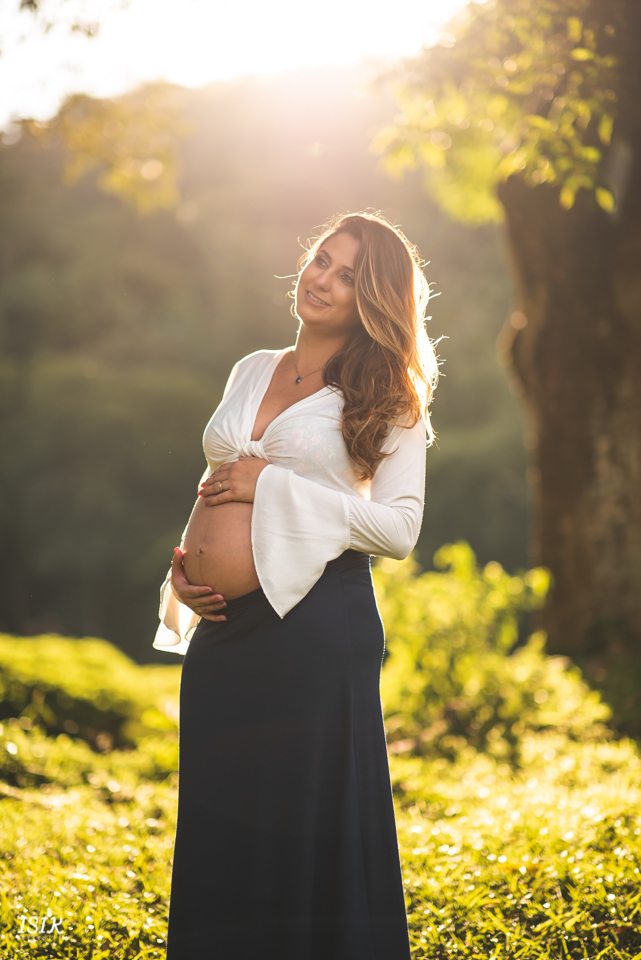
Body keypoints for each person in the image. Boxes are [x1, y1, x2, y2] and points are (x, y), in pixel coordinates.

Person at [153, 211, 439, 960]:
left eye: (349, 276)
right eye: (322, 259)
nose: (323, 279)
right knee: (223, 815)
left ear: (372, 299)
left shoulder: (390, 396)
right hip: (224, 631)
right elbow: (222, 482)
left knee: (303, 821)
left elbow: (399, 531)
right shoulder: (252, 367)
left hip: (316, 626)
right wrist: (185, 571)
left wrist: (273, 482)